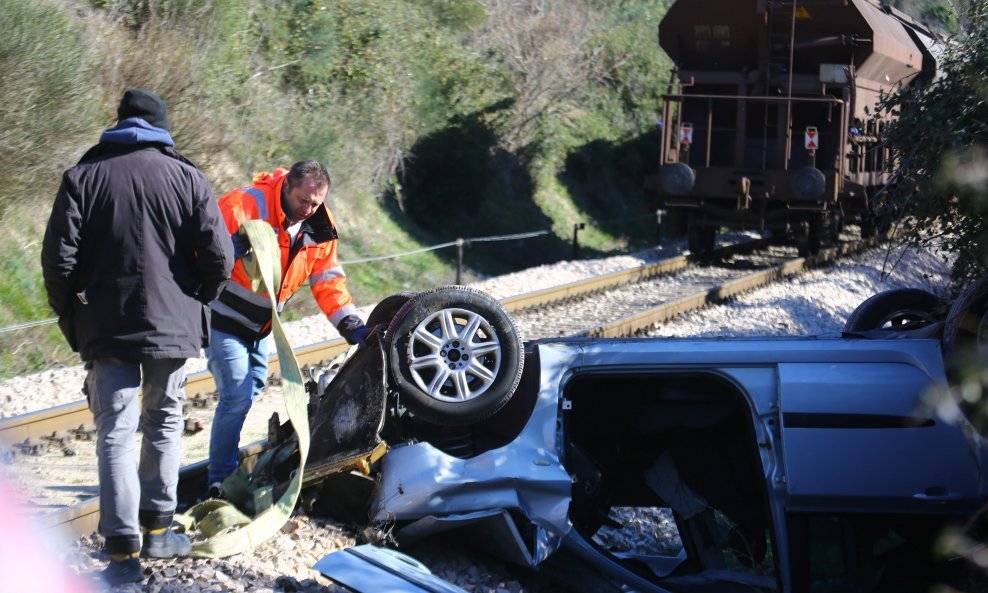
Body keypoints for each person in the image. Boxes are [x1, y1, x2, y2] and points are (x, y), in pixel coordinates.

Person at [41, 88, 234, 587]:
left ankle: (123, 552)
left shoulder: (83, 176)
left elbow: (58, 259)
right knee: (165, 420)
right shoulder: (189, 177)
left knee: (116, 430)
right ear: (162, 128)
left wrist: (70, 311)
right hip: (173, 325)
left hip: (105, 324)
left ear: (119, 122)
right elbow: (220, 258)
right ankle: (159, 528)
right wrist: (197, 299)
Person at [206, 160, 370, 494]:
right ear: (286, 187)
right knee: (236, 396)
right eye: (303, 200)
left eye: (317, 202)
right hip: (222, 319)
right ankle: (219, 481)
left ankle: (228, 465)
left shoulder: (320, 225)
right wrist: (225, 252)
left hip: (262, 328)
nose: (309, 209)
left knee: (251, 389)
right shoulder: (243, 205)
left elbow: (327, 281)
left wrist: (352, 326)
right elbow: (198, 252)